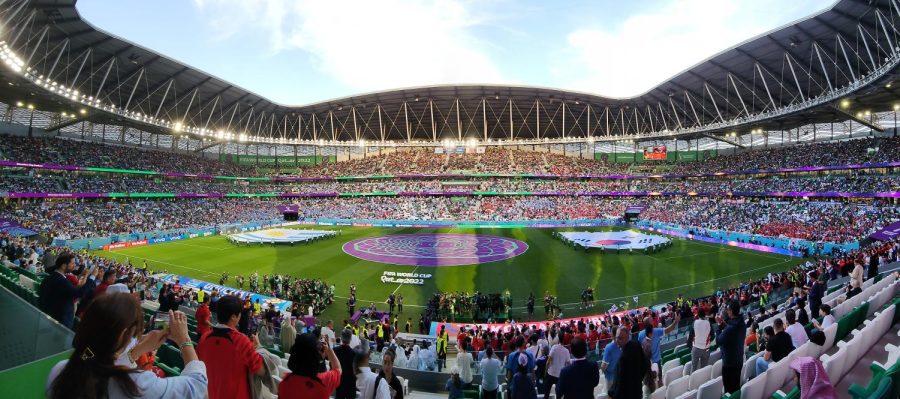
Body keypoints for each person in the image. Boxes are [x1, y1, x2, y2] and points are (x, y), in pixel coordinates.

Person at [46, 293, 207, 399]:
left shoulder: (61, 370)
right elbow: (199, 387)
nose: (137, 336)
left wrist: (139, 350)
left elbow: (106, 363)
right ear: (123, 334)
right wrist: (184, 339)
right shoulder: (136, 385)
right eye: (136, 332)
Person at [197, 295, 265, 399]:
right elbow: (261, 370)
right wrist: (258, 348)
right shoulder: (241, 341)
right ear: (233, 316)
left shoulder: (204, 338)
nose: (240, 316)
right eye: (239, 314)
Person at [39, 253, 100, 328]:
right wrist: (92, 277)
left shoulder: (52, 278)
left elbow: (69, 290)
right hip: (60, 322)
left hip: (51, 318)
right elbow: (79, 293)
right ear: (64, 266)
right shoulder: (61, 281)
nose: (74, 265)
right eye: (72, 263)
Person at [278, 333, 341, 399]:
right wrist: (329, 350)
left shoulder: (284, 383)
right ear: (315, 357)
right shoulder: (323, 381)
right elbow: (338, 369)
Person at [636, 313, 679, 385]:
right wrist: (675, 322)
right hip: (656, 361)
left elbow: (640, 348)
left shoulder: (640, 334)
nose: (653, 321)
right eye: (651, 320)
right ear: (650, 324)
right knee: (659, 380)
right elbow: (669, 329)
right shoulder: (656, 331)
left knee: (649, 381)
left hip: (647, 363)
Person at [715, 300, 746, 394]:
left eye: (728, 309)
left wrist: (719, 326)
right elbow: (731, 329)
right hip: (739, 360)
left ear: (731, 311)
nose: (727, 311)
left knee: (728, 390)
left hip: (729, 364)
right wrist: (724, 323)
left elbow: (718, 341)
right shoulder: (741, 323)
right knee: (736, 386)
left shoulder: (730, 329)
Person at [608, 325, 647, 399]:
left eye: (620, 338)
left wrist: (613, 395)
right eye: (616, 337)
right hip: (637, 391)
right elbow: (644, 366)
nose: (617, 340)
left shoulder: (623, 358)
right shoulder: (637, 344)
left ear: (627, 338)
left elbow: (620, 384)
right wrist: (637, 380)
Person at [334, 329, 358, 399]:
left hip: (339, 383)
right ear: (350, 339)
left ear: (341, 338)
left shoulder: (335, 350)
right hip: (350, 385)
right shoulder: (354, 354)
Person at [600, 328, 623, 392]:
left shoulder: (609, 347)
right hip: (621, 375)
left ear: (613, 335)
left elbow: (603, 366)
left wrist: (603, 370)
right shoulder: (624, 344)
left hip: (611, 377)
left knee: (611, 394)